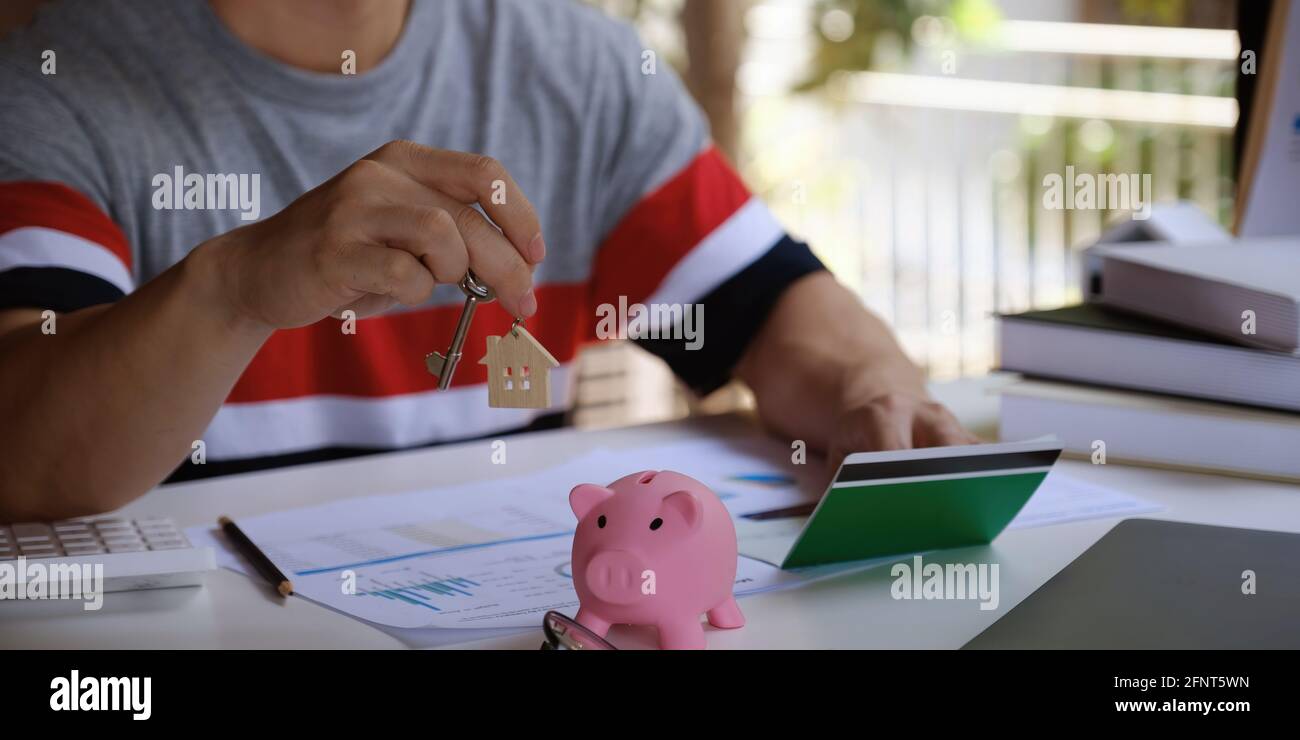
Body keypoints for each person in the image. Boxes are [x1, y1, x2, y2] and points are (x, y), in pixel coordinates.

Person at [0, 0, 977, 522]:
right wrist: (232, 286)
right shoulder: (51, 86)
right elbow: (27, 454)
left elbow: (771, 306)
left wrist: (870, 390)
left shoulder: (579, 67)